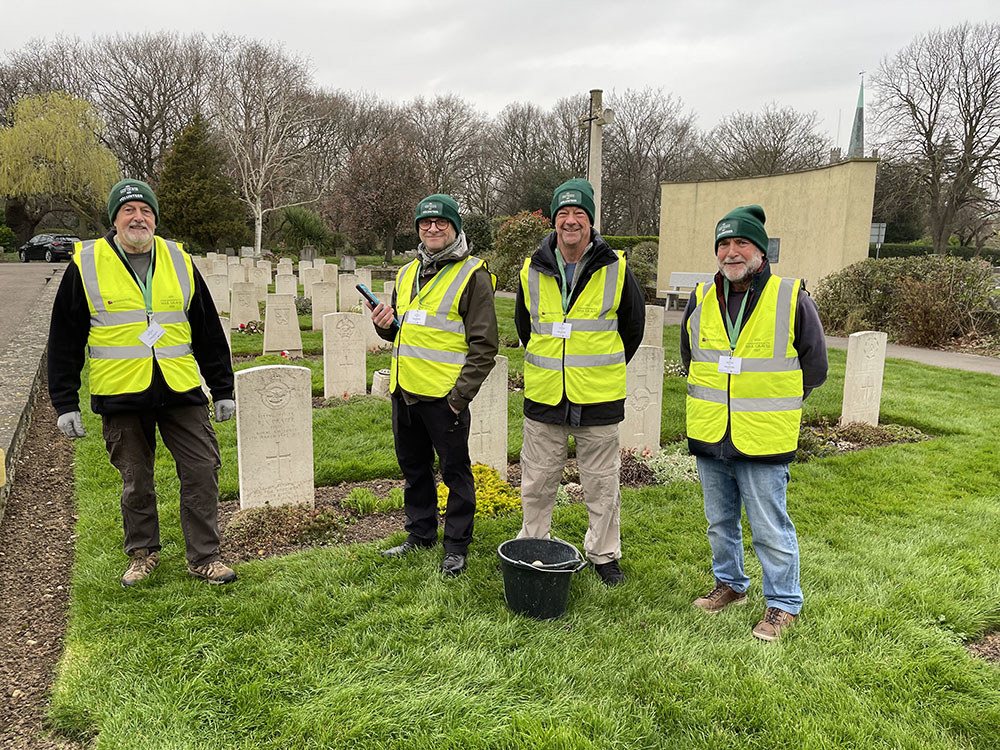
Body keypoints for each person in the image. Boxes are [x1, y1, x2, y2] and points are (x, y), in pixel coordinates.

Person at [48, 179, 237, 588]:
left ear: (154, 217)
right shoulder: (87, 263)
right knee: (135, 478)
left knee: (202, 470)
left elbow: (206, 329)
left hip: (180, 387)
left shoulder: (179, 260)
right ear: (115, 219)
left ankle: (204, 556)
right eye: (129, 210)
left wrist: (222, 389)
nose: (139, 218)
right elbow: (64, 338)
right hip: (121, 391)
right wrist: (65, 403)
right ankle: (142, 553)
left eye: (146, 211)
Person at [682, 204, 828, 641]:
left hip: (764, 437)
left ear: (760, 252)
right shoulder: (702, 297)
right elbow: (691, 358)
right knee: (718, 521)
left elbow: (815, 367)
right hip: (711, 431)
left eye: (741, 242)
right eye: (723, 244)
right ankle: (730, 584)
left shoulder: (790, 296)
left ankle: (783, 604)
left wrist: (771, 403)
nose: (731, 252)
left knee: (769, 526)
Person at [514, 179, 645, 586]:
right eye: (563, 215)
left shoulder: (617, 268)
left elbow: (632, 329)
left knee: (602, 484)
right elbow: (525, 327)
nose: (571, 222)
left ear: (590, 221)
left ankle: (604, 555)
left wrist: (594, 368)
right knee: (537, 480)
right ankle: (533, 545)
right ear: (554, 221)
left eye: (580, 215)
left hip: (598, 397)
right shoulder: (531, 268)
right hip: (546, 396)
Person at [368, 194, 498, 577]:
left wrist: (458, 398)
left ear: (455, 227)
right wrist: (382, 324)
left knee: (456, 474)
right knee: (414, 468)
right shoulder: (407, 273)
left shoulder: (473, 274)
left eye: (441, 222)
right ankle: (420, 534)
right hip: (405, 391)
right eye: (425, 223)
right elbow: (402, 333)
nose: (432, 228)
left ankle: (456, 545)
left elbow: (484, 345)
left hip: (445, 398)